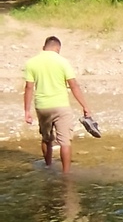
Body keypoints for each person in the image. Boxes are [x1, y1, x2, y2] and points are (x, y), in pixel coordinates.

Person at [23, 36, 92, 174]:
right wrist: (85, 106)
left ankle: (48, 166)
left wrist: (27, 111)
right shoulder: (63, 62)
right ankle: (66, 174)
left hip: (42, 106)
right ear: (57, 48)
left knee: (46, 138)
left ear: (44, 47)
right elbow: (74, 86)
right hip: (61, 106)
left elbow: (29, 88)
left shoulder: (31, 63)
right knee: (65, 142)